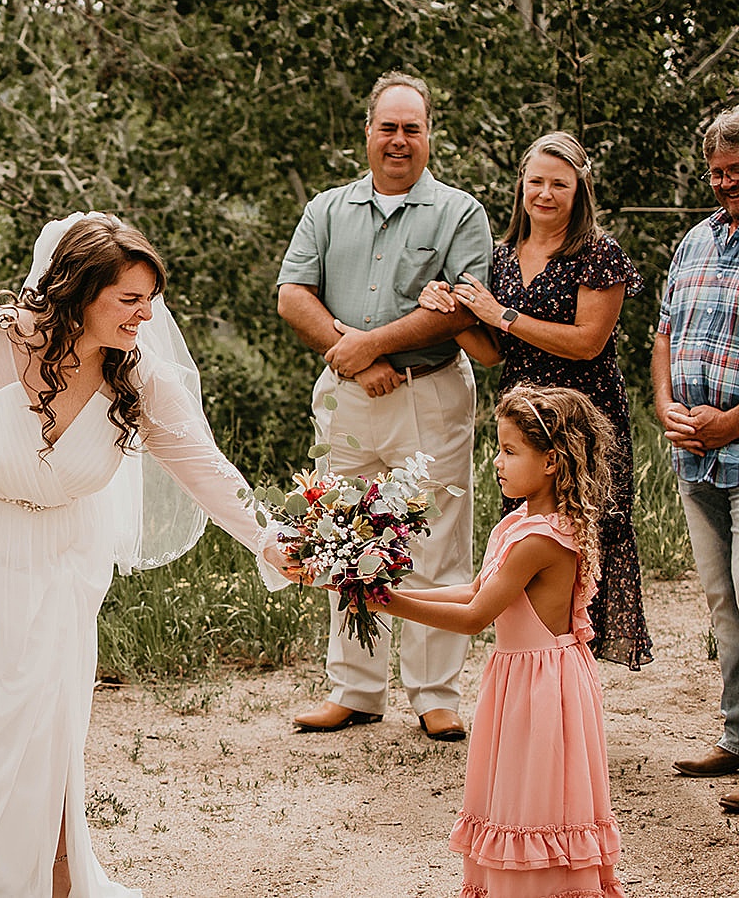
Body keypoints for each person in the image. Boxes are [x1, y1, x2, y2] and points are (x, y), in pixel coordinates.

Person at [0, 213, 290, 898]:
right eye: (129, 299)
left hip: (61, 565)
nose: (147, 314)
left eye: (150, 298)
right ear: (79, 292)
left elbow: (205, 468)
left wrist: (268, 535)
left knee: (46, 738)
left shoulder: (140, 376)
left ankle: (54, 881)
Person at [276, 71, 492, 740]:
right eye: (388, 127)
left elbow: (460, 305)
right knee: (345, 535)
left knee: (434, 538)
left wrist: (372, 345)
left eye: (412, 128)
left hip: (429, 395)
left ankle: (434, 692)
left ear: (429, 136)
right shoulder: (328, 209)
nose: (399, 140)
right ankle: (356, 688)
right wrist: (355, 355)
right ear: (367, 132)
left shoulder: (460, 213)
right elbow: (292, 295)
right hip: (347, 397)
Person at [367, 384, 625, 898]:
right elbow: (477, 589)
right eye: (497, 448)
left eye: (510, 451)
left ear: (552, 460)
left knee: (540, 799)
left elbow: (475, 617)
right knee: (515, 795)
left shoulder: (539, 540)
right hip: (520, 678)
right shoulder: (517, 523)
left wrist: (388, 604)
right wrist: (392, 587)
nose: (496, 462)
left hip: (543, 686)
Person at [416, 131, 654, 669]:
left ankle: (576, 678)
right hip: (523, 426)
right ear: (521, 184)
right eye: (536, 181)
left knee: (587, 544)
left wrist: (501, 314)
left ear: (580, 190)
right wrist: (450, 316)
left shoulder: (598, 253)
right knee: (525, 541)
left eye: (559, 184)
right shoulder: (501, 257)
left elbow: (587, 341)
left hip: (584, 421)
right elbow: (493, 353)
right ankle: (535, 666)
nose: (545, 193)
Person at [654, 106, 739, 809]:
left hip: (738, 447)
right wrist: (663, 404)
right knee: (723, 601)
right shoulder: (696, 241)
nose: (725, 182)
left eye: (737, 171)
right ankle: (737, 737)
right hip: (697, 461)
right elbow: (664, 332)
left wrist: (731, 421)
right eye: (716, 171)